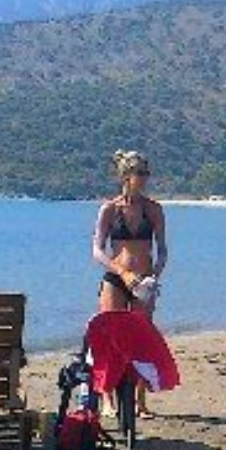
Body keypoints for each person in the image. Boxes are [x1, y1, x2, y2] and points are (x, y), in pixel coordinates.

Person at [92, 150, 169, 411]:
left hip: (144, 280)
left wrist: (154, 276)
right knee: (110, 334)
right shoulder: (110, 209)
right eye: (140, 174)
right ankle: (106, 396)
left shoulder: (154, 209)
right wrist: (121, 271)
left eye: (147, 173)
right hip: (117, 277)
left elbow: (162, 250)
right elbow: (97, 250)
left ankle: (140, 400)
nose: (145, 179)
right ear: (126, 176)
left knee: (141, 338)